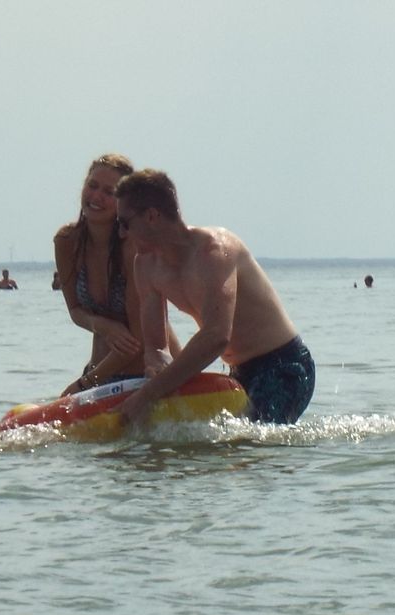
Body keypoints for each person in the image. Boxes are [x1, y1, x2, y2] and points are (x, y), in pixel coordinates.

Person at [111, 170, 316, 426]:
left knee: (250, 442)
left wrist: (147, 395)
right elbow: (156, 347)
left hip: (284, 365)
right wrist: (156, 371)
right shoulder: (145, 266)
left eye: (124, 223)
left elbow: (216, 336)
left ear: (152, 216)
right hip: (238, 370)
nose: (121, 233)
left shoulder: (214, 252)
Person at [54, 153, 178, 393]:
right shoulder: (67, 241)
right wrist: (101, 325)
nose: (96, 196)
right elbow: (75, 310)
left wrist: (84, 384)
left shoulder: (134, 249)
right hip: (99, 374)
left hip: (152, 376)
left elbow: (138, 340)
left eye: (109, 192)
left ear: (124, 202)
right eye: (92, 186)